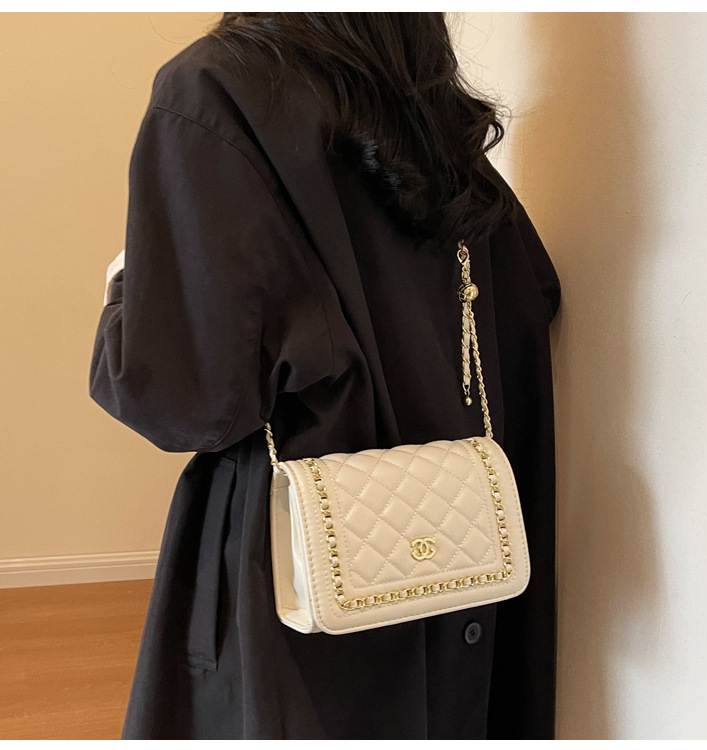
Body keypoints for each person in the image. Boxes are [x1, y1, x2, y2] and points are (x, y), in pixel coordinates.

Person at [88, 12, 561, 740]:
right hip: (461, 547)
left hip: (299, 567)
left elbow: (187, 397)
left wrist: (126, 290)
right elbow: (532, 298)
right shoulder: (427, 103)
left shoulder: (214, 88)